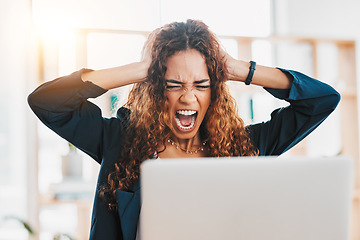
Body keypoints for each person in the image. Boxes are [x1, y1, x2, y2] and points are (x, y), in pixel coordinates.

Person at [28, 19, 340, 240]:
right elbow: (48, 102)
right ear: (154, 88)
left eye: (201, 85)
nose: (188, 97)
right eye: (173, 84)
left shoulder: (245, 148)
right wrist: (142, 69)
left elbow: (322, 99)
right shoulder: (119, 142)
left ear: (215, 90)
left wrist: (240, 69)